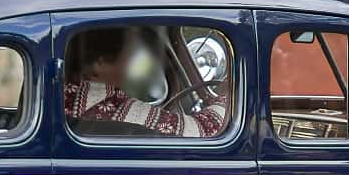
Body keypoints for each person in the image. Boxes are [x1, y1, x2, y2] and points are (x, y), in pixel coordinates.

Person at [64, 27, 229, 139]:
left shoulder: (57, 96)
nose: (133, 60)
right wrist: (227, 97)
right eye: (130, 51)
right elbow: (205, 130)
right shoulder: (115, 109)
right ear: (101, 63)